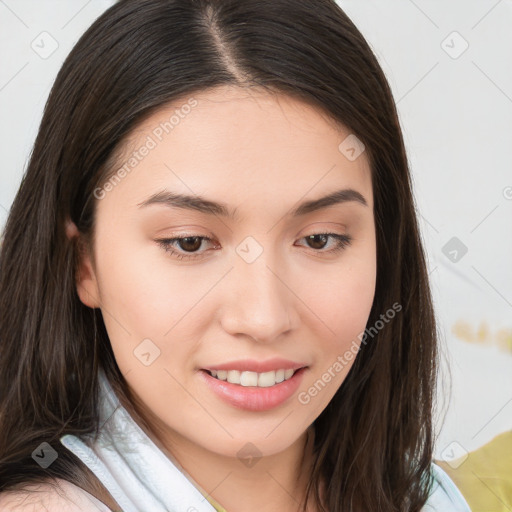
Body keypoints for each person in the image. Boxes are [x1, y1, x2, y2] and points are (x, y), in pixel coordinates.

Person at [0, 0, 472, 511]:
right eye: (189, 242)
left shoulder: (435, 496)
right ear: (82, 262)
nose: (264, 318)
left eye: (320, 239)